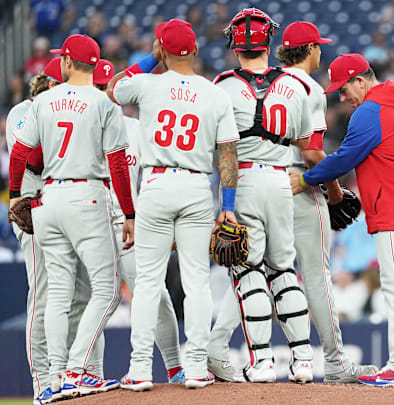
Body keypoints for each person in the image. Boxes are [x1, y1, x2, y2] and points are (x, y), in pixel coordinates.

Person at [289, 53, 394, 388]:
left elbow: (345, 158)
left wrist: (305, 180)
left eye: (344, 89)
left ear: (361, 80)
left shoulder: (369, 111)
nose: (342, 97)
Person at [107, 18, 239, 390]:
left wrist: (151, 61)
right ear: (196, 50)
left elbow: (113, 89)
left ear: (162, 50)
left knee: (148, 282)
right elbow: (228, 155)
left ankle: (140, 369)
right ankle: (196, 368)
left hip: (157, 184)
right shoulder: (215, 94)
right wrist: (226, 206)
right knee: (197, 281)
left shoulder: (148, 83)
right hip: (197, 186)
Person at [8, 34, 136, 398]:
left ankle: (52, 381)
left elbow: (20, 154)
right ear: (94, 65)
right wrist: (128, 211)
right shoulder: (102, 102)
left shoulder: (43, 101)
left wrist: (17, 196)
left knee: (59, 294)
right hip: (87, 194)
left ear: (66, 62)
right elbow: (117, 163)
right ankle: (75, 371)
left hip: (48, 197)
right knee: (108, 292)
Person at [207, 8, 314, 384]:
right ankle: (303, 362)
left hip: (246, 180)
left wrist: (227, 207)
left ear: (234, 46)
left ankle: (264, 362)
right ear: (270, 41)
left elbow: (226, 153)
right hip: (282, 179)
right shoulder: (296, 86)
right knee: (285, 271)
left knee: (248, 271)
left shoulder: (221, 86)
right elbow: (305, 143)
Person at [275, 20, 378, 383]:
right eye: (319, 46)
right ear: (312, 50)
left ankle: (218, 351)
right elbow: (313, 154)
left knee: (255, 270)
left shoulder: (268, 84)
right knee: (317, 275)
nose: (321, 50)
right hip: (299, 185)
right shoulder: (308, 87)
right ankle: (334, 362)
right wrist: (334, 192)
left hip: (260, 182)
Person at [93, 59, 185, 384]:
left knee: (154, 292)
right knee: (87, 300)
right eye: (97, 87)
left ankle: (175, 366)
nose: (103, 93)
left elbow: (157, 175)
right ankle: (85, 375)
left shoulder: (136, 128)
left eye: (106, 87)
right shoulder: (80, 127)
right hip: (88, 225)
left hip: (126, 225)